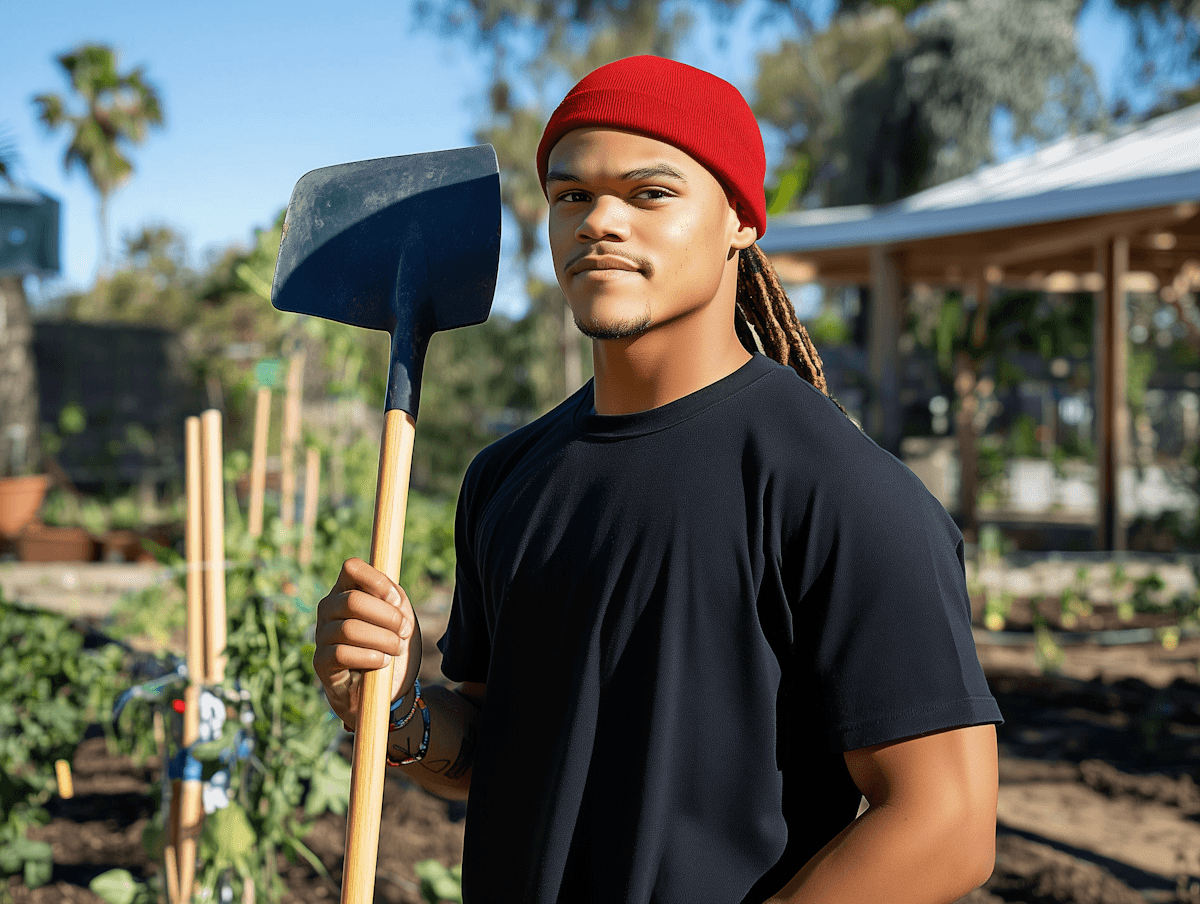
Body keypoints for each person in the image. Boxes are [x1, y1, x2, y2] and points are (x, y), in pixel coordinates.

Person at [314, 55, 1003, 904]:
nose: (600, 221)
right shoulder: (506, 479)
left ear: (739, 222)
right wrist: (390, 711)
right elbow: (504, 756)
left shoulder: (837, 492)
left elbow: (948, 823)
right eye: (572, 196)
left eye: (649, 194)